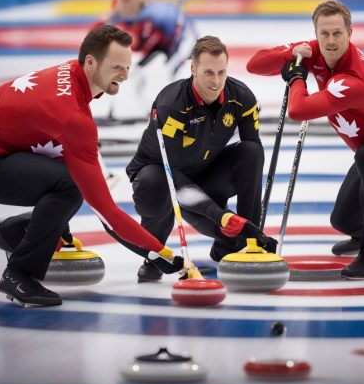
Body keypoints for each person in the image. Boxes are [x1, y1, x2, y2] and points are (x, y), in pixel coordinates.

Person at [0, 24, 184, 307]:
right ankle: (19, 274)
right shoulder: (72, 117)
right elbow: (106, 211)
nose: (125, 76)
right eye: (117, 67)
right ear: (90, 62)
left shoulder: (70, 74)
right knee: (70, 185)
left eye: (127, 67)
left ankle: (17, 232)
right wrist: (159, 252)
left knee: (66, 177)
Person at [247, 0, 364, 279]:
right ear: (317, 34)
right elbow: (254, 65)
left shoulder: (355, 79)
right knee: (342, 219)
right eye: (324, 34)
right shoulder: (315, 51)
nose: (331, 41)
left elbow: (298, 110)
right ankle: (361, 233)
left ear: (350, 33)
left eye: (338, 33)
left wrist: (297, 78)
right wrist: (290, 54)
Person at [107, 35, 278, 282]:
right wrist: (220, 215)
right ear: (193, 69)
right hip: (162, 174)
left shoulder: (241, 97)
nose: (216, 81)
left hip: (203, 170)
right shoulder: (172, 105)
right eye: (208, 72)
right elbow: (174, 177)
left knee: (251, 152)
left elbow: (253, 155)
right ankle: (156, 254)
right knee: (156, 183)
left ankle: (243, 240)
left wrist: (246, 224)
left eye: (222, 72)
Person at [93, 0, 198, 119]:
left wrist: (173, 65)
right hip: (160, 47)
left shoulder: (161, 15)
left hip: (181, 45)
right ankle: (154, 112)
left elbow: (184, 38)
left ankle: (183, 112)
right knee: (136, 74)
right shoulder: (115, 16)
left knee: (165, 74)